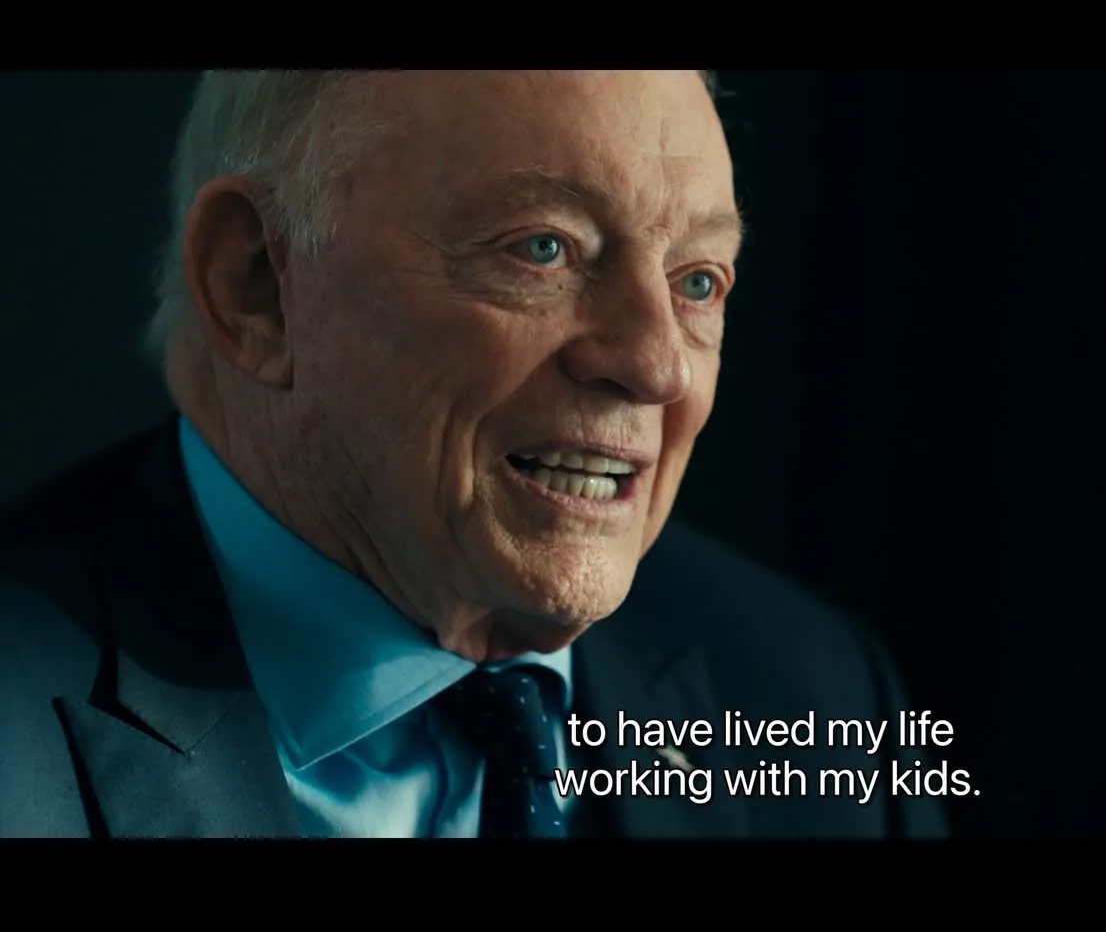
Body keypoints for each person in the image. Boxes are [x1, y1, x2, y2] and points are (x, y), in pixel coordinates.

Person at [0, 70, 948, 838]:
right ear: (257, 285)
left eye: (697, 280)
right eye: (544, 249)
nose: (657, 366)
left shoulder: (816, 700)